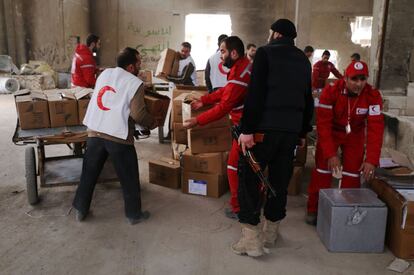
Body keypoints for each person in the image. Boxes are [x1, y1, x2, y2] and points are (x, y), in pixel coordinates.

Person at [234, 19, 314, 257]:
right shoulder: (303, 59)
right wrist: (302, 132)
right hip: (289, 133)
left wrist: (247, 130)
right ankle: (271, 234)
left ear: (275, 34)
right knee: (279, 181)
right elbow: (307, 98)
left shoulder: (265, 53)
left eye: (270, 33)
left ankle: (251, 240)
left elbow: (256, 93)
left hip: (263, 132)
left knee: (248, 178)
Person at [72, 47, 157, 225]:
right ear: (131, 67)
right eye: (139, 62)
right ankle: (133, 215)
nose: (141, 65)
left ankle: (81, 209)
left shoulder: (104, 74)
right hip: (117, 135)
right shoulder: (135, 83)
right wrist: (153, 122)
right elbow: (139, 115)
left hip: (95, 130)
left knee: (89, 173)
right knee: (129, 176)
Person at [306, 61, 384, 225]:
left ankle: (348, 210)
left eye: (363, 79)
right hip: (332, 132)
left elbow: (375, 129)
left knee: (352, 173)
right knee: (323, 169)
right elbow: (323, 125)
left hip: (354, 134)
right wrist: (330, 154)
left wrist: (371, 159)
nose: (359, 84)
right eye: (354, 79)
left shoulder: (372, 95)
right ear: (346, 77)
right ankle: (314, 209)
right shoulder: (331, 91)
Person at [183, 36, 252, 220]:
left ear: (234, 53)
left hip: (246, 127)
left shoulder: (239, 75)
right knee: (245, 167)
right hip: (247, 125)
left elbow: (224, 107)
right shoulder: (244, 66)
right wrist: (204, 99)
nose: (220, 56)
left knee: (233, 166)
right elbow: (225, 91)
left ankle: (239, 209)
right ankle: (247, 204)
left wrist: (197, 121)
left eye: (223, 51)